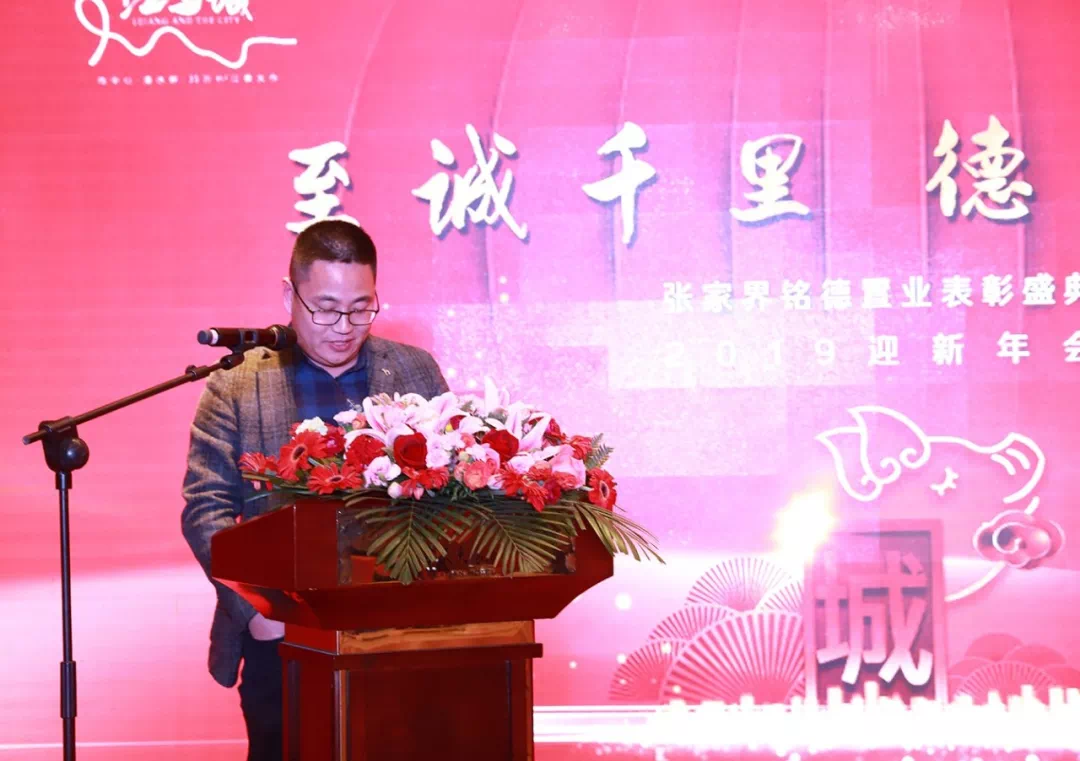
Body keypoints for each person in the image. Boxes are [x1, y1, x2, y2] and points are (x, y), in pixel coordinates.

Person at [181, 220, 449, 760]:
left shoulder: (415, 372)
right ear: (290, 296)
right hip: (281, 640)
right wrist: (258, 611)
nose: (344, 327)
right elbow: (205, 510)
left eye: (361, 308)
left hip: (399, 637)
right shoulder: (237, 382)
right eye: (325, 308)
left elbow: (450, 491)